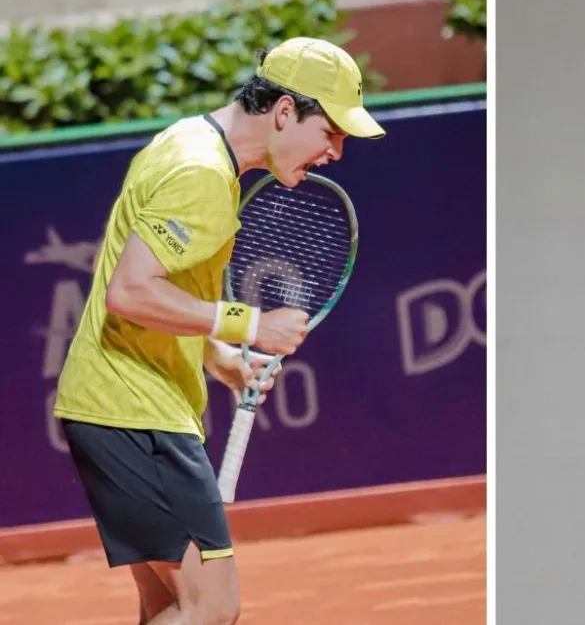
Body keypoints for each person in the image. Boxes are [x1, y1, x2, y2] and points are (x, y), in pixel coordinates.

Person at [53, 37, 385, 624]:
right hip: (135, 413)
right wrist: (251, 322)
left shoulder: (191, 141)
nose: (336, 151)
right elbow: (129, 292)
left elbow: (163, 284)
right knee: (212, 609)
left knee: (173, 606)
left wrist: (220, 357)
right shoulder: (202, 172)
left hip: (119, 408)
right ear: (285, 111)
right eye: (330, 132)